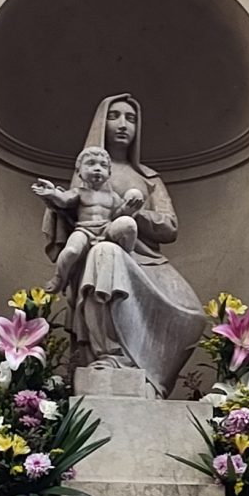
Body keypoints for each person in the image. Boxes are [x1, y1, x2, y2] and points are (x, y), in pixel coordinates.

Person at [42, 94, 206, 398]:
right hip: (100, 251)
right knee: (105, 254)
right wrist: (55, 201)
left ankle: (152, 380)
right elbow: (68, 215)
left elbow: (169, 226)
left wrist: (134, 213)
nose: (122, 124)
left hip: (145, 258)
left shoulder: (148, 177)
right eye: (114, 116)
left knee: (193, 315)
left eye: (130, 119)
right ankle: (110, 355)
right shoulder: (87, 171)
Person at [31, 146, 144, 293]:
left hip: (106, 229)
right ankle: (59, 278)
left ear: (109, 173)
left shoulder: (113, 196)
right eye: (91, 163)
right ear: (79, 172)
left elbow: (117, 215)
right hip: (84, 230)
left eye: (103, 165)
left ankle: (129, 259)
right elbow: (64, 201)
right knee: (71, 251)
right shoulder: (79, 192)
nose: (97, 168)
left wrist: (128, 209)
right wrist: (52, 193)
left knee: (129, 224)